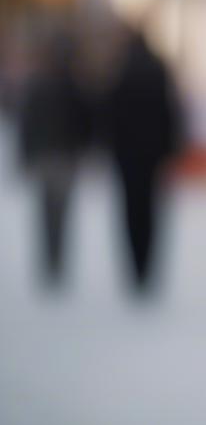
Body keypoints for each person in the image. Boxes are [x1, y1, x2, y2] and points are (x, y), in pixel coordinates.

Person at [97, 24, 184, 291]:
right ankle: (148, 268)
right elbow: (170, 112)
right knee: (150, 211)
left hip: (126, 157)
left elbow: (109, 115)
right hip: (153, 155)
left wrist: (108, 147)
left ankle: (136, 269)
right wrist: (171, 148)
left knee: (130, 211)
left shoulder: (119, 70)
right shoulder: (158, 69)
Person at [16, 25, 93, 286]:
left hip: (51, 156)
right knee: (59, 212)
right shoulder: (72, 84)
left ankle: (52, 261)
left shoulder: (43, 84)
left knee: (48, 211)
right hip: (62, 156)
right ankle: (55, 260)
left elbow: (28, 123)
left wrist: (26, 155)